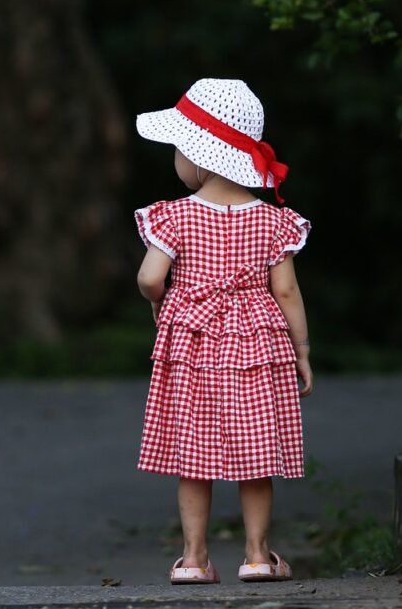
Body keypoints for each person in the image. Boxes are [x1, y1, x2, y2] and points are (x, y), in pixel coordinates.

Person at [133, 78, 313, 584]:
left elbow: (150, 277)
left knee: (195, 453)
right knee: (256, 455)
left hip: (193, 346)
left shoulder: (176, 217)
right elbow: (287, 293)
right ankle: (257, 555)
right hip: (257, 346)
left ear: (197, 156)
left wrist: (161, 302)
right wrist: (301, 350)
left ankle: (193, 559)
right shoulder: (275, 222)